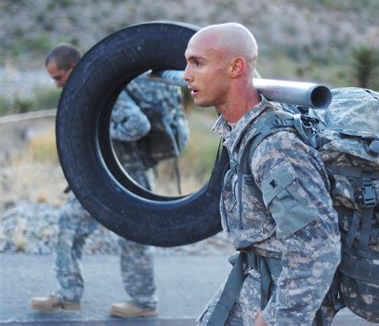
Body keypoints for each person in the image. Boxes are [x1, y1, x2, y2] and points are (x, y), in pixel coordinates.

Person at [183, 23, 341, 325]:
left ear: (236, 67)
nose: (186, 74)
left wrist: (277, 318)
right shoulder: (242, 133)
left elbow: (317, 246)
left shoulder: (275, 147)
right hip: (252, 278)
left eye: (197, 63)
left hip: (281, 293)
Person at [31, 44, 185, 318]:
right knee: (69, 221)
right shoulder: (84, 90)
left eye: (58, 78)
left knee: (132, 236)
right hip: (98, 175)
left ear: (73, 68)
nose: (56, 85)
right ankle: (68, 295)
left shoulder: (101, 89)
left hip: (128, 175)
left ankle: (144, 302)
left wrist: (99, 133)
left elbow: (139, 125)